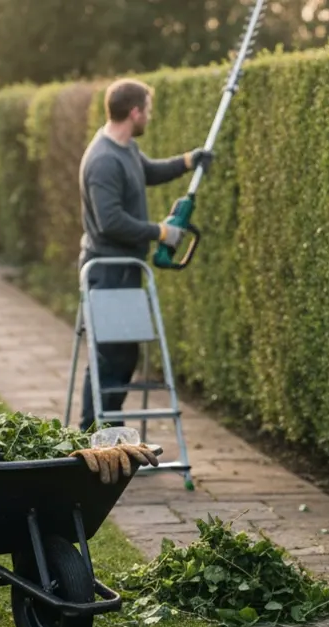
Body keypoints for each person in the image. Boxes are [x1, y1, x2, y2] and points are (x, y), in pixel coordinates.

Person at [76, 78, 211, 431]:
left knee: (123, 355)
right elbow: (110, 222)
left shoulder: (126, 150)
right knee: (110, 358)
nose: (149, 116)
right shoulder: (104, 160)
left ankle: (108, 431)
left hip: (124, 270)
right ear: (134, 112)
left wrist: (188, 161)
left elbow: (148, 172)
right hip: (107, 271)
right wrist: (161, 232)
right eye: (147, 110)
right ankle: (92, 433)